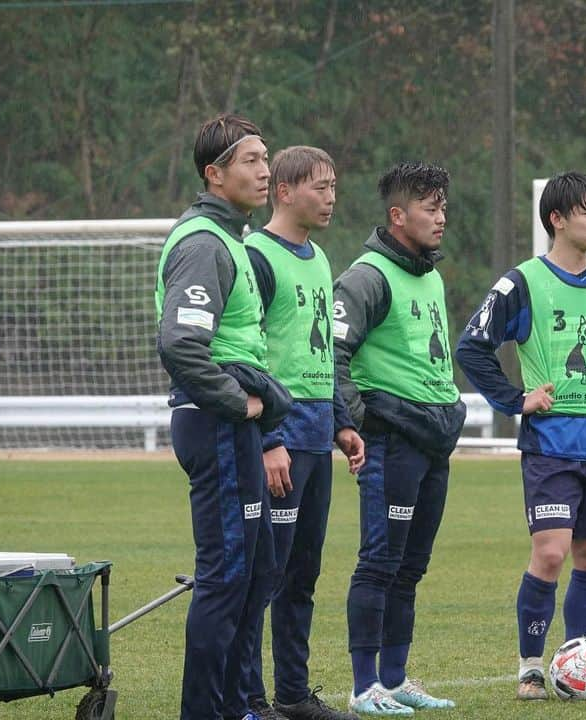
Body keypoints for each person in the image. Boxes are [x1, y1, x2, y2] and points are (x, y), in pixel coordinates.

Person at [455, 171, 586, 701]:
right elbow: (472, 346)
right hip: (551, 446)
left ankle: (580, 660)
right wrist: (515, 400)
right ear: (556, 220)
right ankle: (530, 666)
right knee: (551, 553)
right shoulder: (521, 283)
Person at [156, 112, 292, 720]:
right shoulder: (204, 243)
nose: (265, 171)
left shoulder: (231, 239)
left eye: (266, 159)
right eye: (251, 161)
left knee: (255, 570)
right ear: (215, 174)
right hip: (215, 422)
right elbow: (181, 345)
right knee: (227, 575)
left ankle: (242, 707)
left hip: (234, 426)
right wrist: (240, 403)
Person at [334, 161, 466, 715]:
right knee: (380, 561)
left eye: (443, 208)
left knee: (411, 565)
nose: (440, 219)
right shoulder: (366, 277)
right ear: (398, 214)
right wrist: (355, 422)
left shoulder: (429, 274)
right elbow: (332, 355)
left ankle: (395, 676)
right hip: (391, 443)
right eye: (429, 208)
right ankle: (364, 685)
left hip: (432, 443)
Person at [242, 146, 365, 720]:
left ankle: (293, 694)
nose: (331, 197)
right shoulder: (256, 256)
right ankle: (249, 699)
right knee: (264, 572)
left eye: (335, 186)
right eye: (320, 186)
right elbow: (247, 352)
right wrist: (269, 440)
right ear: (284, 191)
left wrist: (342, 421)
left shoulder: (319, 258)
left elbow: (320, 352)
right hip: (280, 438)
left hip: (317, 434)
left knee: (303, 573)